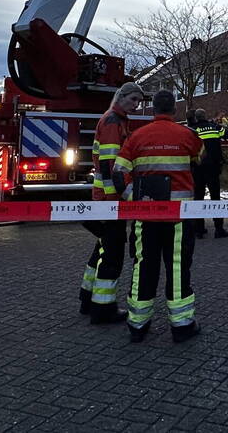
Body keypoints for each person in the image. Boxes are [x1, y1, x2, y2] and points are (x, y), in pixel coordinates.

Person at [112, 89, 204, 344]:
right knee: (177, 268)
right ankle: (182, 325)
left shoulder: (136, 138)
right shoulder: (188, 135)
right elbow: (199, 158)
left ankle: (138, 324)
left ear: (152, 109)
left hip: (146, 217)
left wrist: (136, 201)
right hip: (179, 217)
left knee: (144, 267)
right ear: (174, 109)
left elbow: (118, 174)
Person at [79, 81, 144, 325]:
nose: (136, 105)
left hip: (104, 200)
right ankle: (103, 309)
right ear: (122, 97)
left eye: (139, 101)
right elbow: (109, 167)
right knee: (113, 254)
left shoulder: (115, 120)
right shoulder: (113, 122)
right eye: (133, 100)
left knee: (102, 249)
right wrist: (122, 196)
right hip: (109, 201)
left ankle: (87, 297)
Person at [190, 108, 228, 239]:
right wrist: (218, 124)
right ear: (205, 116)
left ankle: (199, 230)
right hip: (213, 168)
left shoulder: (192, 129)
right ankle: (219, 229)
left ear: (196, 117)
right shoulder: (215, 127)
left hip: (197, 168)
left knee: (198, 198)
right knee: (215, 198)